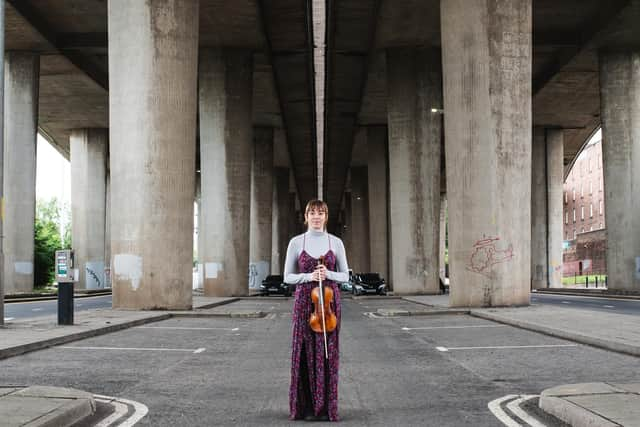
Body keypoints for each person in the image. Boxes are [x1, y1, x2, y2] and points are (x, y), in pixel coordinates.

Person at [284, 199, 349, 421]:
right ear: (306, 216)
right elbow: (287, 277)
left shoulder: (336, 242)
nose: (316, 217)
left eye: (320, 213)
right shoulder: (296, 242)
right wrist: (309, 276)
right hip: (304, 303)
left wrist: (328, 274)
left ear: (326, 216)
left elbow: (345, 275)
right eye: (312, 213)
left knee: (327, 354)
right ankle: (308, 407)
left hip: (328, 303)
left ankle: (325, 407)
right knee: (304, 352)